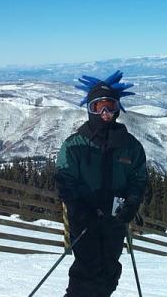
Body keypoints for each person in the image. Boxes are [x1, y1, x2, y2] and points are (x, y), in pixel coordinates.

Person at [55, 71, 147, 297]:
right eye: (98, 107)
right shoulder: (75, 144)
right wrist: (79, 209)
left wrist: (132, 203)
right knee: (86, 271)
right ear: (89, 108)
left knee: (109, 271)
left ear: (118, 109)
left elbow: (138, 179)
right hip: (85, 219)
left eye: (110, 107)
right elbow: (65, 181)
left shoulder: (130, 145)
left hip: (115, 219)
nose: (105, 113)